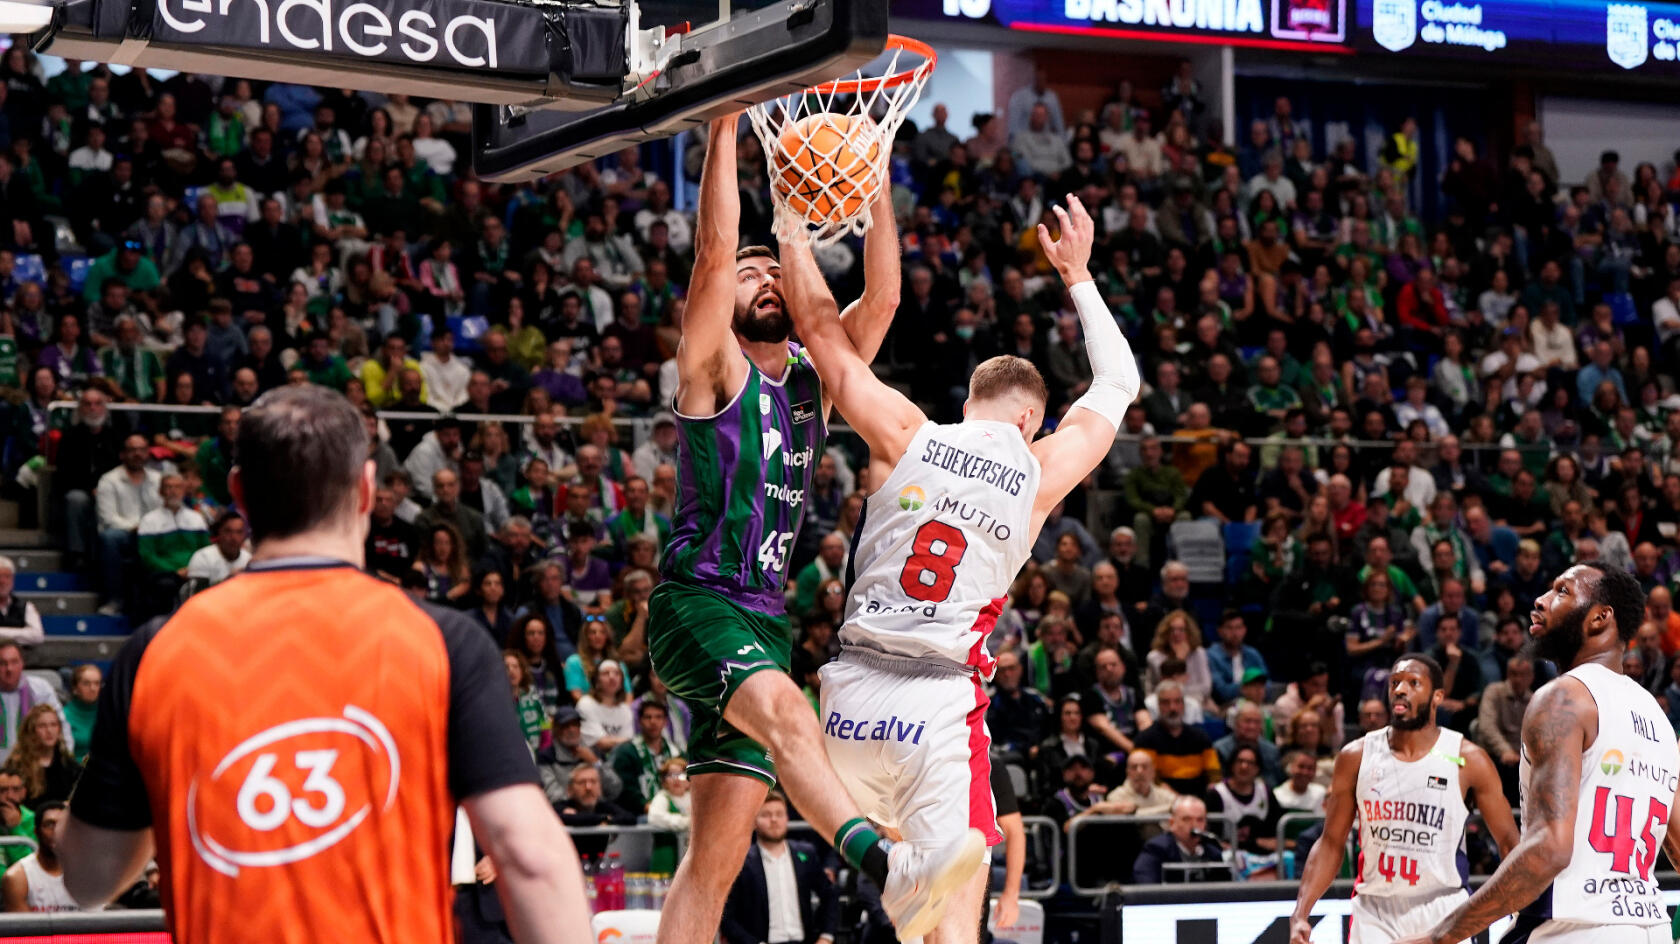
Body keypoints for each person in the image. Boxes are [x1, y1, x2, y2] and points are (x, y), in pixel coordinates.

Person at [58, 386, 587, 942]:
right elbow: (529, 858)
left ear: (238, 492)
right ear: (366, 488)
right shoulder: (444, 640)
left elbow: (88, 880)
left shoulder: (154, 652)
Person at [779, 193, 1138, 944]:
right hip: (936, 702)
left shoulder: (905, 429)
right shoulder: (1039, 471)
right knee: (955, 915)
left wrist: (792, 230)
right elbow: (1116, 385)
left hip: (845, 699)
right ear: (1029, 419)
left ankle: (895, 876)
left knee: (902, 878)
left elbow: (819, 334)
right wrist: (1077, 275)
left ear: (969, 401)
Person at [645, 115, 961, 944]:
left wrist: (877, 173)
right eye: (751, 274)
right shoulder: (714, 367)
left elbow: (884, 296)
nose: (760, 280)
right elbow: (713, 253)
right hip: (698, 603)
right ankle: (889, 866)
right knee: (792, 719)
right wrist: (723, 124)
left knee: (711, 866)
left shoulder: (814, 388)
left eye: (771, 272)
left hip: (766, 619)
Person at [1394, 563, 1680, 944]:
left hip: (1573, 927)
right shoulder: (1657, 717)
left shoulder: (1563, 697)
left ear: (1599, 618)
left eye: (1562, 591)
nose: (1541, 601)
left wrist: (1441, 936)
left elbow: (1550, 848)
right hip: (1650, 927)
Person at [1290, 654, 1518, 944]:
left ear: (1437, 697)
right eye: (1395, 682)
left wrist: (1519, 909)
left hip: (1444, 909)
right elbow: (1331, 842)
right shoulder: (1356, 756)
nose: (1400, 689)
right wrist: (1300, 914)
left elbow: (1510, 843)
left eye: (1413, 683)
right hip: (1375, 912)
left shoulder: (1468, 758)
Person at [720, 791, 839, 944]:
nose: (774, 820)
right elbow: (726, 916)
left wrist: (826, 936)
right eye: (766, 815)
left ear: (787, 818)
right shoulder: (741, 862)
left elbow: (830, 894)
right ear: (754, 821)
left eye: (779, 814)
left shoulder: (805, 854)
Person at [1131, 795, 1227, 883]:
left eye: (1200, 820)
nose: (1194, 826)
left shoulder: (1213, 853)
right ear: (1172, 823)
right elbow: (1146, 887)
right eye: (1186, 819)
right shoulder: (1156, 849)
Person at [1, 802, 74, 913]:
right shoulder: (17, 878)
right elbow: (24, 928)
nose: (56, 831)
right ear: (36, 832)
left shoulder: (88, 872)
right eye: (49, 824)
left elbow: (98, 923)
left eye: (63, 825)